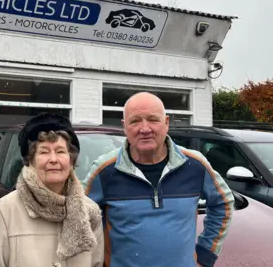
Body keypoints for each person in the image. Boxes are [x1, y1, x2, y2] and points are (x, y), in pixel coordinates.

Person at [84, 92, 234, 267]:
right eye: (135, 121)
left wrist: (205, 254)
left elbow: (224, 203)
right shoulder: (104, 171)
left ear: (167, 123)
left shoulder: (195, 165)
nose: (145, 128)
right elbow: (81, 218)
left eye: (153, 119)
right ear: (125, 127)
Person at [0, 113, 104, 267]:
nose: (53, 159)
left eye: (60, 151)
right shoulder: (4, 211)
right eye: (44, 152)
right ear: (30, 160)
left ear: (71, 160)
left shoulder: (90, 212)